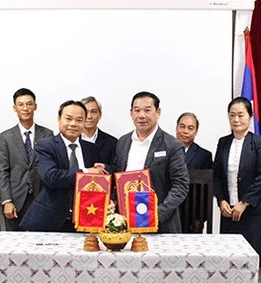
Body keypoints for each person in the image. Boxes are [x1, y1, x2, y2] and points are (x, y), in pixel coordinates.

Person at [19, 100, 106, 232]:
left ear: (84, 123)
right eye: (68, 119)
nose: (73, 124)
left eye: (79, 120)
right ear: (59, 120)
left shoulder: (91, 149)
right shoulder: (45, 146)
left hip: (85, 219)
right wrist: (85, 172)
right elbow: (51, 177)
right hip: (51, 220)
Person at [114, 91, 189, 233]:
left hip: (161, 224)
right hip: (125, 222)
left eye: (147, 110)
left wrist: (157, 214)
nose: (141, 115)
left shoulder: (172, 145)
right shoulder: (123, 142)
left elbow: (181, 185)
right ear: (131, 113)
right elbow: (117, 174)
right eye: (137, 110)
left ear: (158, 112)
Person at [213, 97, 261, 263]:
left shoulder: (258, 142)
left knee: (252, 257)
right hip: (228, 211)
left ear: (250, 117)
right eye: (232, 115)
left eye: (240, 115)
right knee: (229, 256)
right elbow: (217, 174)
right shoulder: (223, 142)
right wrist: (221, 201)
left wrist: (244, 203)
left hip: (252, 211)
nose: (236, 119)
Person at [0, 88, 54, 231]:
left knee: (41, 240)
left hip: (41, 198)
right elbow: (2, 171)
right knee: (15, 241)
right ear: (14, 108)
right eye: (21, 105)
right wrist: (7, 200)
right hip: (16, 200)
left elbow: (51, 168)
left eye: (29, 104)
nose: (25, 108)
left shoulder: (47, 134)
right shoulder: (6, 137)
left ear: (35, 106)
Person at [81, 96, 117, 166]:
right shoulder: (72, 141)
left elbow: (116, 168)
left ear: (100, 115)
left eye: (93, 112)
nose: (89, 116)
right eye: (85, 112)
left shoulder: (112, 143)